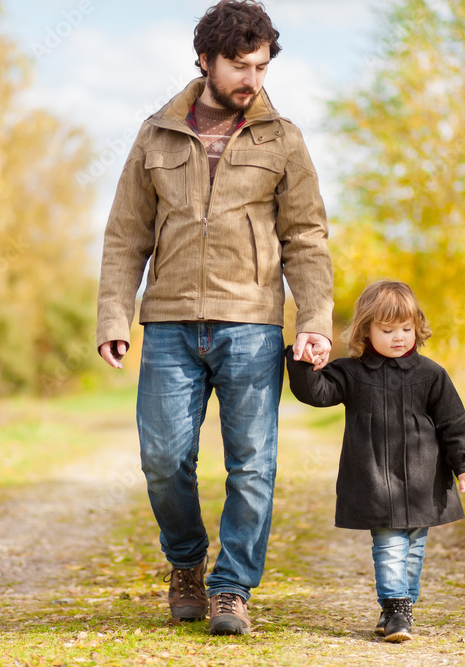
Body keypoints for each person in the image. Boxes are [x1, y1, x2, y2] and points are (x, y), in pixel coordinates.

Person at [95, 0, 333, 636]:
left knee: (252, 463)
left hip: (252, 321)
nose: (250, 78)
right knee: (163, 459)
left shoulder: (283, 139)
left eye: (259, 66)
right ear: (204, 60)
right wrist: (114, 315)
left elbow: (307, 236)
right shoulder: (155, 133)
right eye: (237, 64)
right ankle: (186, 563)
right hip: (168, 321)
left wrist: (314, 319)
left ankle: (232, 588)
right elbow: (124, 236)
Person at [284, 280, 465, 643]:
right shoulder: (352, 373)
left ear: (417, 327)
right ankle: (396, 610)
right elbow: (316, 392)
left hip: (424, 485)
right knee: (390, 546)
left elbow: (454, 423)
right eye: (388, 330)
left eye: (406, 329)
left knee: (413, 551)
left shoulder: (431, 375)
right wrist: (303, 362)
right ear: (366, 330)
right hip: (376, 482)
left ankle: (398, 607)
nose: (399, 337)